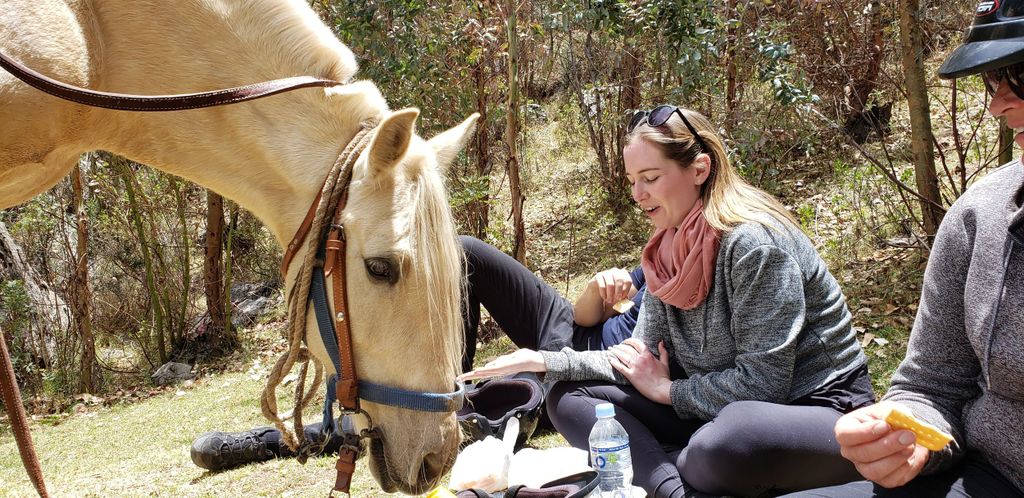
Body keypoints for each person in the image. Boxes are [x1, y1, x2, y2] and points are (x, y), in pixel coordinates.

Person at [459, 104, 875, 498]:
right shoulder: (667, 250)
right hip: (714, 407)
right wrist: (545, 362)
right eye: (632, 181)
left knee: (723, 445)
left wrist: (667, 391)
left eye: (651, 178)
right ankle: (676, 490)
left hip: (814, 409)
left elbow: (764, 385)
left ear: (699, 169)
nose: (638, 194)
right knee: (568, 395)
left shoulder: (754, 245)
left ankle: (680, 469)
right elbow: (634, 356)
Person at [783, 3, 1024, 497]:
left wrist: (671, 389)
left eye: (1019, 77)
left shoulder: (756, 246)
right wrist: (908, 434)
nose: (999, 105)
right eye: (995, 79)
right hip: (993, 475)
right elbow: (933, 383)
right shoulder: (981, 214)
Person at [192, 236, 648, 471]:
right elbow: (587, 318)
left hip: (591, 376)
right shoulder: (663, 249)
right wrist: (594, 292)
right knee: (463, 255)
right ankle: (448, 389)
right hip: (569, 327)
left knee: (467, 415)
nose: (642, 194)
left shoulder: (716, 264)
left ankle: (273, 441)